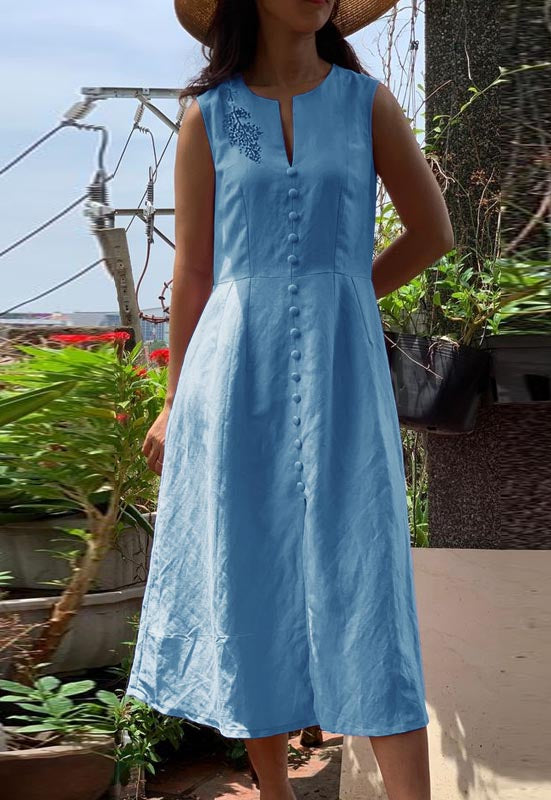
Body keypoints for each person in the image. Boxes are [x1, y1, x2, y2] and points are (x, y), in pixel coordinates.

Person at [125, 1, 453, 799]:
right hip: (232, 370)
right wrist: (171, 400)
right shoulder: (208, 116)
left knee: (367, 571)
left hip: (344, 373)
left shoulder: (366, 103)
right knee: (250, 568)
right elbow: (193, 272)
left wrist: (346, 291)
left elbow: (431, 232)